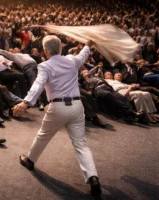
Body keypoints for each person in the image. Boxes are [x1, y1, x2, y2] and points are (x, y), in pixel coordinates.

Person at [12, 36, 102, 196]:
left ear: (45, 51)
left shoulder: (44, 66)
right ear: (61, 49)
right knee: (81, 144)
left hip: (58, 107)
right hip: (76, 106)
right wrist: (88, 44)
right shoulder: (72, 60)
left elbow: (38, 84)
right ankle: (93, 177)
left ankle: (30, 161)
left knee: (43, 136)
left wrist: (26, 102)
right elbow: (83, 54)